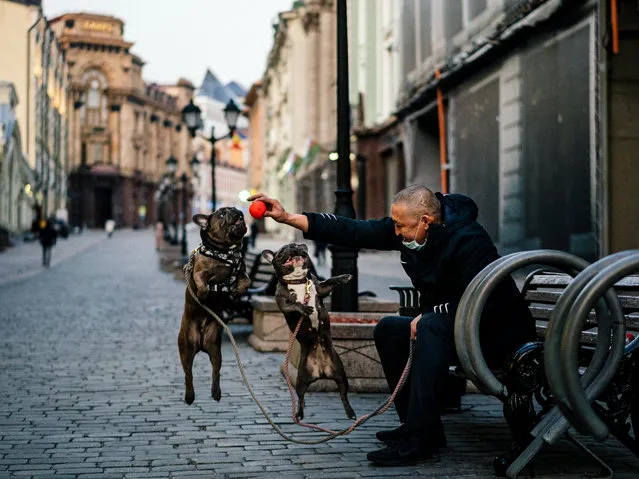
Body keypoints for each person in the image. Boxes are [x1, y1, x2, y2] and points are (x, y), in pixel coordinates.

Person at [248, 185, 536, 466]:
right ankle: (416, 426)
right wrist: (288, 217)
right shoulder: (410, 228)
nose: (396, 232)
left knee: (430, 326)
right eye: (395, 225)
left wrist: (432, 312)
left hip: (497, 335)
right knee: (389, 329)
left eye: (401, 226)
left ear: (425, 221)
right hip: (457, 329)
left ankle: (419, 441)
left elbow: (484, 296)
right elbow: (354, 230)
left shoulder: (470, 239)